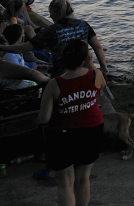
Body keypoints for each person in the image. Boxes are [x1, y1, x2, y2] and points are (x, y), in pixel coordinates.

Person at [37, 39, 105, 206]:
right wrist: (91, 64)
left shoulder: (55, 84)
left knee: (65, 183)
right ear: (86, 57)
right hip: (92, 130)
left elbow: (44, 118)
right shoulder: (96, 75)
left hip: (63, 135)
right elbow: (99, 90)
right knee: (83, 179)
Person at [0, 0, 108, 75]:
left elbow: (21, 48)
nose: (50, 16)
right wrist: (104, 67)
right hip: (85, 71)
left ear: (56, 13)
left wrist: (1, 47)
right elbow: (98, 47)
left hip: (62, 73)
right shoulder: (83, 24)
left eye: (50, 12)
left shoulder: (51, 31)